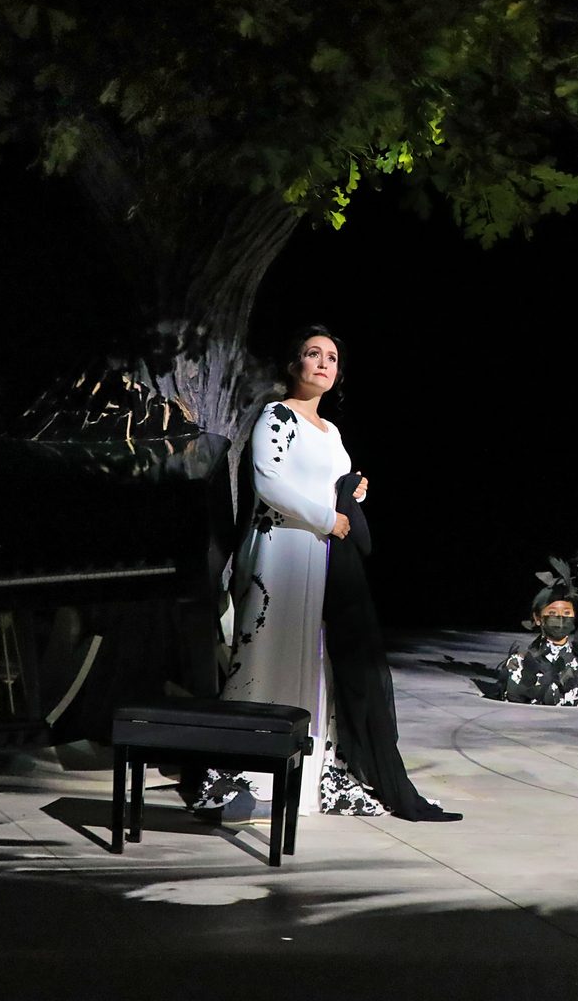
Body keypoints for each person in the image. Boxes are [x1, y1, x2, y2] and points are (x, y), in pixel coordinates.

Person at [195, 325, 380, 816]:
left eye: (332, 358)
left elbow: (327, 485)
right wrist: (327, 517)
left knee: (313, 657)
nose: (323, 363)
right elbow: (269, 482)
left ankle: (307, 776)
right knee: (268, 653)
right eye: (313, 354)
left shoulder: (332, 432)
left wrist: (352, 494)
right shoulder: (277, 416)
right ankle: (243, 771)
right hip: (280, 551)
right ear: (293, 364)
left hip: (318, 555)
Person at [322, 471, 461, 820]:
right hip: (305, 545)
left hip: (330, 542)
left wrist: (355, 493)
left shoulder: (331, 442)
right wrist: (329, 516)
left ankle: (346, 763)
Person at [498, 547, 578, 705]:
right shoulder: (520, 663)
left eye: (566, 613)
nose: (560, 618)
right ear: (538, 618)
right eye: (552, 612)